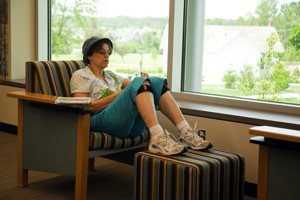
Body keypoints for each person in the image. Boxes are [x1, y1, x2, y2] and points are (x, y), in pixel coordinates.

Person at [70, 36, 212, 156]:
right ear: (89, 55)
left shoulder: (111, 75)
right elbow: (84, 107)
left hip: (126, 124)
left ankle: (185, 131)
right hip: (100, 120)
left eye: (108, 52)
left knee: (155, 81)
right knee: (139, 83)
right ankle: (157, 136)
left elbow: (137, 87)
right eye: (101, 52)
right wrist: (120, 95)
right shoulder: (80, 75)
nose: (106, 55)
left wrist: (146, 82)